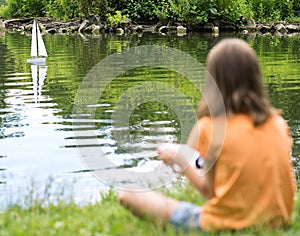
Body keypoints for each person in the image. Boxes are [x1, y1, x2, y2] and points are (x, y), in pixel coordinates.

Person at [118, 38, 295, 232]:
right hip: (277, 222)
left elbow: (208, 191)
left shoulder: (210, 128)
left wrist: (181, 160)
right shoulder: (278, 124)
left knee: (129, 194)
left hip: (227, 225)